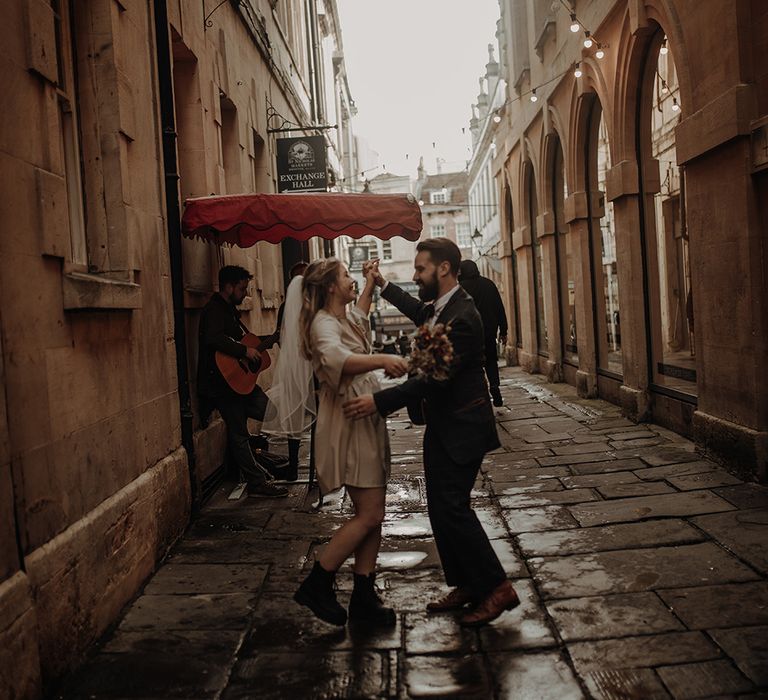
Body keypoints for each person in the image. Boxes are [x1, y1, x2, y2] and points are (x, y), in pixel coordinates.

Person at [343, 239, 520, 628]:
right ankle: (468, 584)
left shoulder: (463, 317)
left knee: (453, 507)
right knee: (441, 507)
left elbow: (435, 380)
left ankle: (497, 586)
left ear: (443, 269)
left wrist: (380, 402)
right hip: (446, 424)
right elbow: (420, 310)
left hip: (464, 427)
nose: (415, 275)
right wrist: (383, 284)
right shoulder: (443, 307)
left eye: (420, 269)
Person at [293, 258, 409, 627]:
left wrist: (371, 284)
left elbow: (357, 323)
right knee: (370, 513)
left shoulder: (341, 317)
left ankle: (363, 596)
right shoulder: (322, 323)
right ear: (330, 286)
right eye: (346, 276)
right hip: (350, 416)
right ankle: (318, 580)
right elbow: (335, 357)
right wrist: (382, 359)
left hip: (364, 413)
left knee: (373, 511)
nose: (351, 281)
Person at [197, 265, 288, 498]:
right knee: (238, 434)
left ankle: (247, 455)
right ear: (228, 286)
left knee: (268, 410)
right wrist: (243, 351)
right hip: (223, 383)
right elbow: (212, 338)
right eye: (241, 288)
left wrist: (271, 339)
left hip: (240, 382)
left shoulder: (230, 311)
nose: (244, 294)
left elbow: (245, 342)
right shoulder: (214, 310)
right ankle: (257, 482)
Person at [263, 261, 310, 480]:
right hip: (308, 366)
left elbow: (280, 337)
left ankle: (294, 465)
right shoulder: (315, 303)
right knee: (303, 415)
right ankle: (304, 465)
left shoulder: (287, 306)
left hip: (295, 366)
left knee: (296, 415)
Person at [458, 259, 508, 407]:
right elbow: (500, 309)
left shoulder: (460, 288)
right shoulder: (489, 284)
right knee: (491, 361)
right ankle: (494, 386)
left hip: (469, 336)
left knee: (473, 365)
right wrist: (503, 331)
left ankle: (479, 396)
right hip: (488, 333)